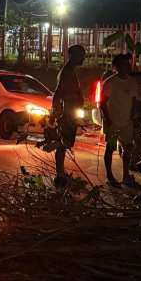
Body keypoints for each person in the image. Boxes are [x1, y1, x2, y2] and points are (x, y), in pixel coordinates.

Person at [101, 53, 140, 188]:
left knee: (128, 148)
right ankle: (110, 175)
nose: (127, 66)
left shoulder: (132, 82)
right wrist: (107, 119)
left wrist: (133, 116)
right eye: (123, 64)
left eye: (127, 64)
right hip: (113, 122)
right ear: (116, 67)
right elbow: (102, 103)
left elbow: (134, 101)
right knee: (110, 148)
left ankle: (125, 175)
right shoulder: (110, 83)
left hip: (126, 122)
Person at [51, 45, 86, 187]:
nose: (83, 58)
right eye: (81, 55)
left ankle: (61, 173)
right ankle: (59, 174)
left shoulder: (70, 71)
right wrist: (57, 113)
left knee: (64, 144)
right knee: (63, 144)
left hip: (70, 113)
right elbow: (58, 93)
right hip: (66, 114)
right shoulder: (67, 72)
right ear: (73, 55)